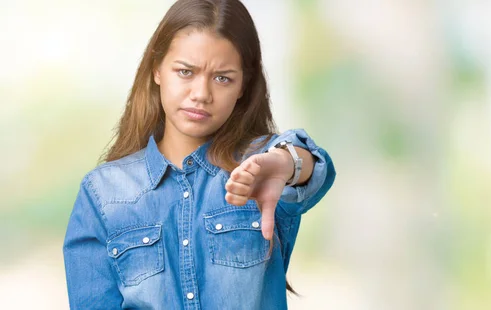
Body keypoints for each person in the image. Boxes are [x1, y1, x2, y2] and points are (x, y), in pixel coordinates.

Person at [62, 0, 336, 309]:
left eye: (223, 78)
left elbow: (316, 169)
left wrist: (286, 163)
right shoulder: (103, 193)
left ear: (243, 85)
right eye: (185, 72)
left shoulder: (258, 168)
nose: (201, 94)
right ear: (157, 70)